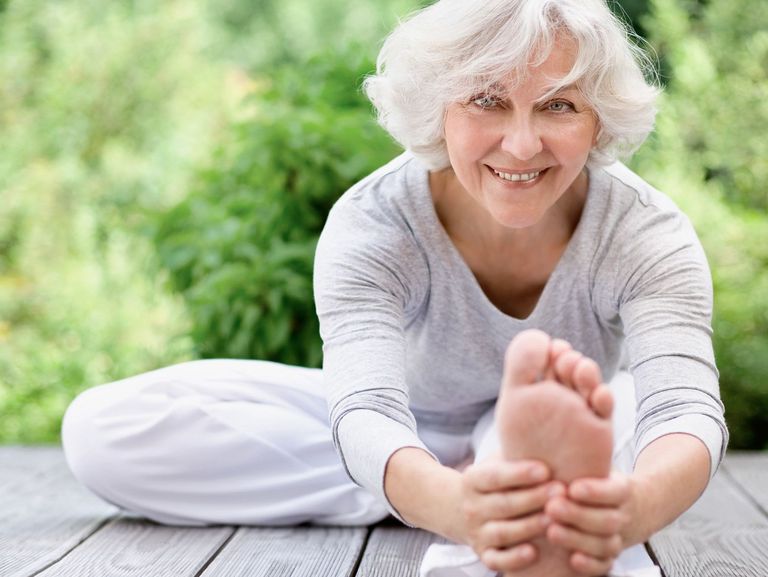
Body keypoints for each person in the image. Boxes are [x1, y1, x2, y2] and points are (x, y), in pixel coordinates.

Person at [61, 0, 728, 575]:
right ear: (437, 110)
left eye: (558, 105)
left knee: (631, 404)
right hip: (406, 427)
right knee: (102, 429)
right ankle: (500, 494)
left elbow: (685, 411)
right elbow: (367, 407)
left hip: (573, 417)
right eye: (488, 100)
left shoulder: (646, 233)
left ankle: (515, 484)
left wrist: (635, 505)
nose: (521, 145)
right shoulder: (374, 222)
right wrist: (447, 498)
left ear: (599, 119)